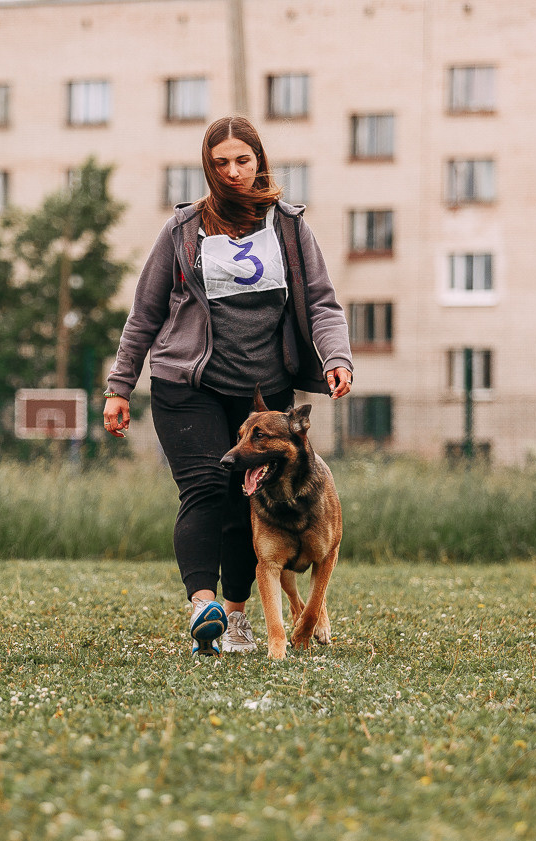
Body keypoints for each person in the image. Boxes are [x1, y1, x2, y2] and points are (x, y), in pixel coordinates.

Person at [103, 115, 354, 656]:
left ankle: (237, 619)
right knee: (207, 490)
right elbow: (144, 314)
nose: (234, 172)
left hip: (262, 394)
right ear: (208, 167)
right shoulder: (182, 231)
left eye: (243, 160)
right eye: (221, 163)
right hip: (185, 382)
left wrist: (337, 357)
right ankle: (203, 605)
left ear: (259, 161)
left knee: (251, 497)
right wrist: (119, 386)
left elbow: (323, 302)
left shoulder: (288, 228)